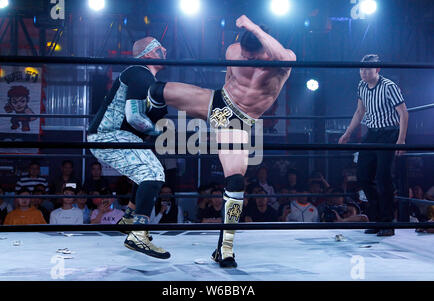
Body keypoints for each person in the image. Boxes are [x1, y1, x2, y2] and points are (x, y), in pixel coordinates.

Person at [147, 15, 295, 268]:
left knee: (235, 180)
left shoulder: (282, 61)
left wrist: (253, 27)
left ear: (263, 45)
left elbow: (282, 55)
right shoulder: (234, 50)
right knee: (157, 90)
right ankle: (140, 132)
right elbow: (229, 80)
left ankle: (225, 248)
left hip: (238, 120)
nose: (246, 59)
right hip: (218, 102)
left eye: (252, 56)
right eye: (244, 54)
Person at [87, 36, 170, 259]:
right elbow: (134, 117)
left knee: (147, 170)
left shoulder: (145, 78)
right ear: (149, 53)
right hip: (108, 135)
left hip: (116, 136)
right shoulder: (138, 71)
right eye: (159, 46)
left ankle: (129, 219)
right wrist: (159, 131)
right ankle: (138, 233)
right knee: (152, 173)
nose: (165, 48)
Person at [339, 54, 409, 237]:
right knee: (362, 176)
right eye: (361, 69)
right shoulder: (361, 86)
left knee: (383, 178)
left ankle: (387, 223)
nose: (363, 73)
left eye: (367, 70)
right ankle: (377, 219)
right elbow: (360, 111)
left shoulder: (388, 86)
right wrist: (348, 132)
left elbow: (403, 113)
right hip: (371, 134)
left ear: (377, 70)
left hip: (388, 134)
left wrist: (401, 140)